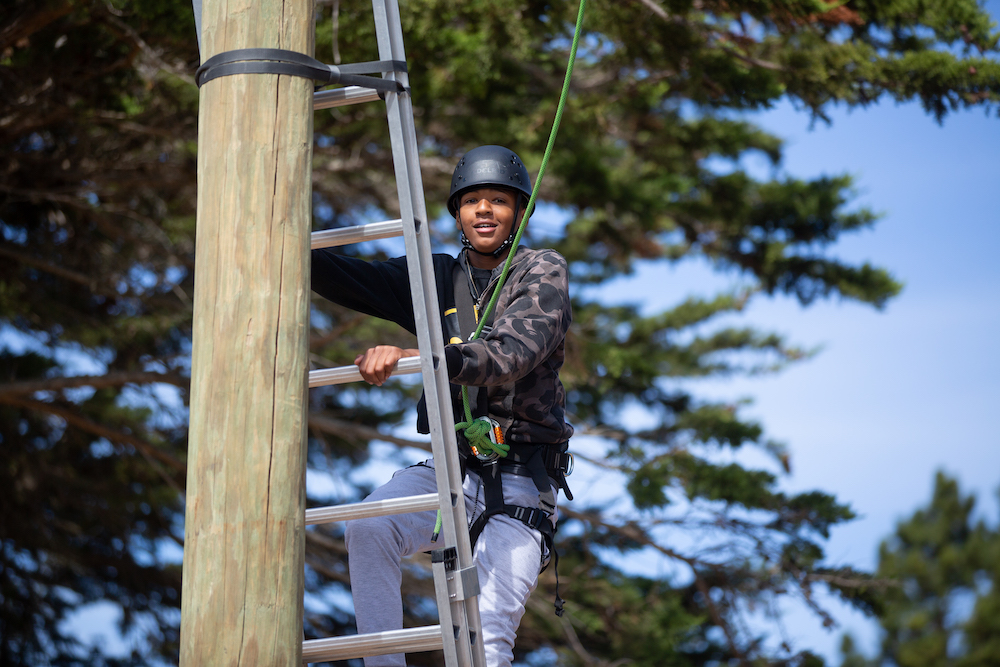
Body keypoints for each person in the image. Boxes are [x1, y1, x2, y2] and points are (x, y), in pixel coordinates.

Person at [311, 145, 573, 667]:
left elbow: (511, 354)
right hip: (451, 467)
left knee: (485, 637)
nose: (483, 210)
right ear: (456, 212)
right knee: (368, 526)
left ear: (518, 212)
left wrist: (426, 357)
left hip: (521, 479)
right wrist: (280, 240)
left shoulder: (541, 272)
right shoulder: (436, 279)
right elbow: (348, 276)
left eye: (498, 200)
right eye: (471, 200)